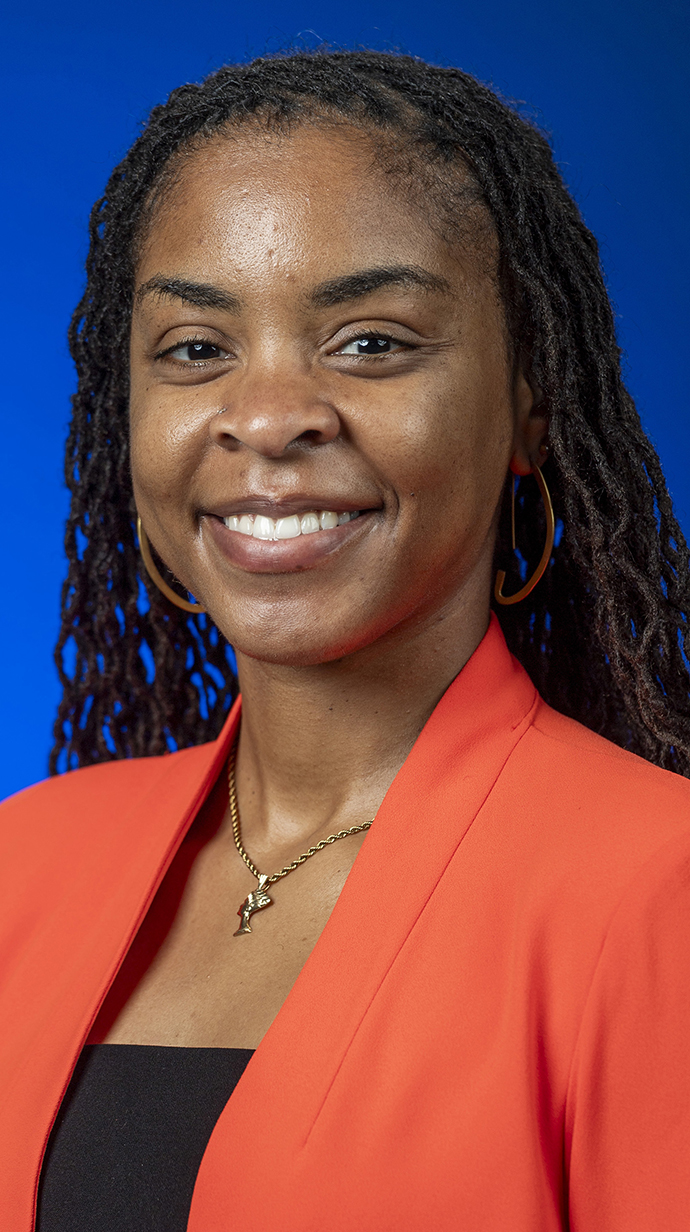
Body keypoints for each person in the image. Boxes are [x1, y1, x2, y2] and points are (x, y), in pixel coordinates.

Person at [1, 48, 690, 1232]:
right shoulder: (25, 861)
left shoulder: (654, 891)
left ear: (531, 400)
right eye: (195, 348)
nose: (268, 419)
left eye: (370, 340)